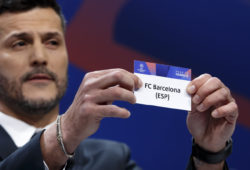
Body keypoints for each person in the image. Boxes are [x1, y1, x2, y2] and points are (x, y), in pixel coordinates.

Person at [0, 0, 238, 170]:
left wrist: (209, 155)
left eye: (52, 42)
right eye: (19, 43)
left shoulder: (112, 159)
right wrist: (62, 135)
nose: (41, 57)